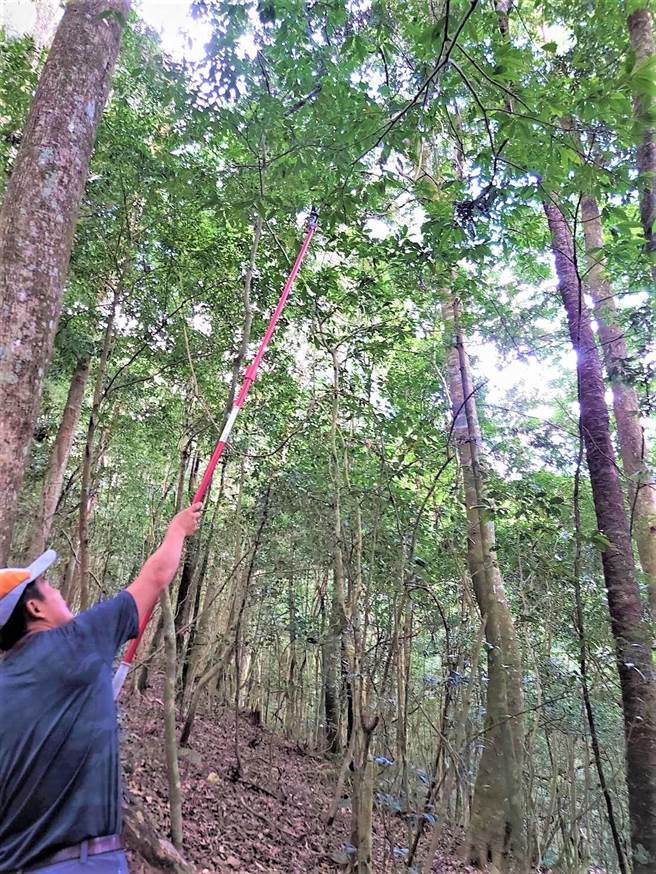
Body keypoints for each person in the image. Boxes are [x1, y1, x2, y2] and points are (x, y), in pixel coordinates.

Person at [0, 503, 202, 873]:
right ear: (35, 607)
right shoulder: (77, 642)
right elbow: (156, 576)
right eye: (47, 585)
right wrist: (177, 530)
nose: (58, 588)